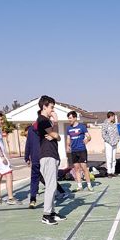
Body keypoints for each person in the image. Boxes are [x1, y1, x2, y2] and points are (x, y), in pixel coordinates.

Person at [37, 95, 66, 226]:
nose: (53, 110)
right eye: (51, 107)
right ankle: (46, 214)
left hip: (52, 155)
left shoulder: (47, 121)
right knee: (51, 186)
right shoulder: (42, 120)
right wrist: (55, 131)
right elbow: (55, 135)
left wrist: (54, 126)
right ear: (44, 106)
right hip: (47, 156)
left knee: (53, 185)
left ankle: (52, 212)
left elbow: (55, 135)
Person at [25, 120, 66, 208]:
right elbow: (54, 142)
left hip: (35, 158)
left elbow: (28, 144)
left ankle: (33, 199)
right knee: (49, 179)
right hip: (45, 157)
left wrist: (26, 157)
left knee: (35, 178)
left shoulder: (31, 130)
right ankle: (58, 193)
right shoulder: (46, 129)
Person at [66, 110, 92, 191]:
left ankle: (89, 185)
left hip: (81, 150)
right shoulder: (68, 128)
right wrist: (67, 146)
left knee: (84, 168)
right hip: (74, 151)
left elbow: (89, 137)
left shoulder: (82, 127)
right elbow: (68, 138)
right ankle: (79, 186)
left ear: (75, 118)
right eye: (68, 118)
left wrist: (87, 140)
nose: (69, 120)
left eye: (70, 118)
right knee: (76, 168)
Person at [101, 111, 120, 178]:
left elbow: (117, 133)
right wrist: (110, 141)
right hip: (108, 143)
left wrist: (117, 140)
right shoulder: (105, 124)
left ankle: (113, 171)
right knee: (109, 157)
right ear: (111, 116)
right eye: (113, 116)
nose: (114, 118)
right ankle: (109, 172)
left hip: (115, 143)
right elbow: (103, 134)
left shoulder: (114, 124)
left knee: (114, 158)